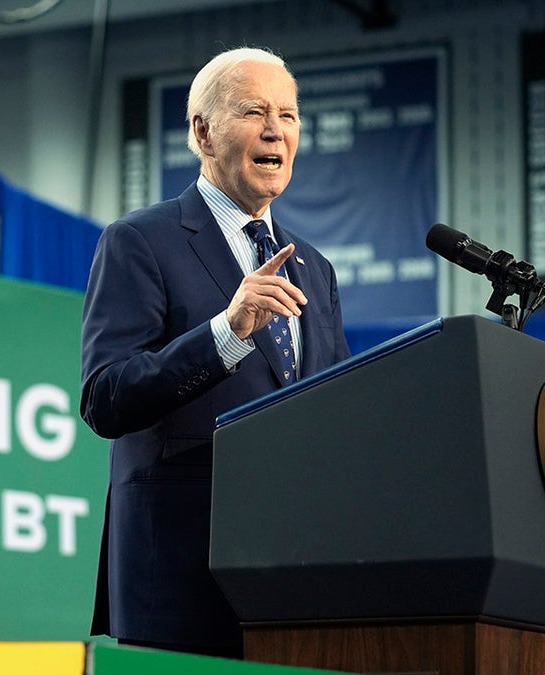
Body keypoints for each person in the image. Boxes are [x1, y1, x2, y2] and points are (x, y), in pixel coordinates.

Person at [80, 47, 351, 658]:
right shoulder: (139, 242)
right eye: (255, 111)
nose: (276, 130)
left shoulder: (316, 269)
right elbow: (106, 398)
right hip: (180, 579)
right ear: (202, 130)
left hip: (299, 583)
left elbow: (335, 411)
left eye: (289, 113)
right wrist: (225, 332)